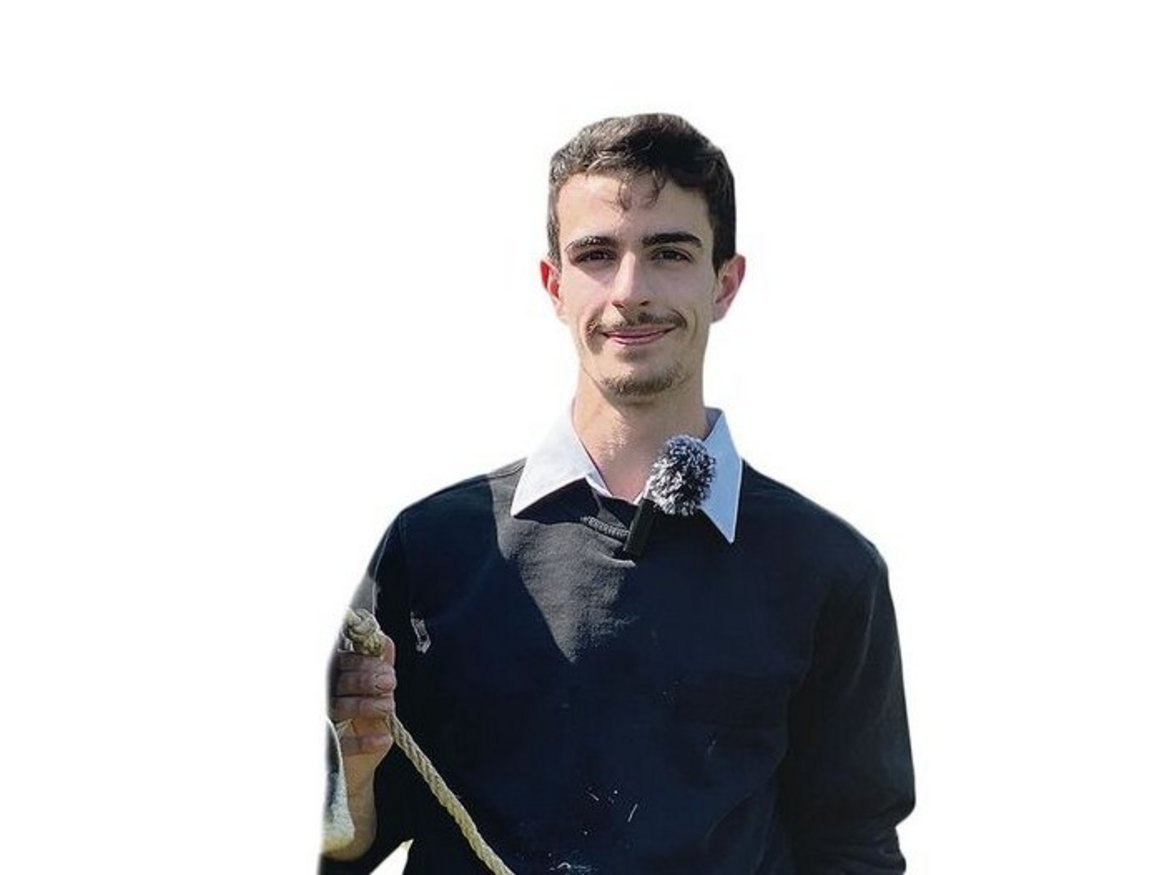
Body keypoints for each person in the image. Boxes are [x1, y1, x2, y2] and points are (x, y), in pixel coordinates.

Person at [322, 113, 915, 873]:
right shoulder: (436, 546)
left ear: (725, 282)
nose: (630, 291)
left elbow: (853, 850)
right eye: (597, 255)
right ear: (554, 285)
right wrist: (353, 769)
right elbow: (343, 842)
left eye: (669, 253)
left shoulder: (828, 568)